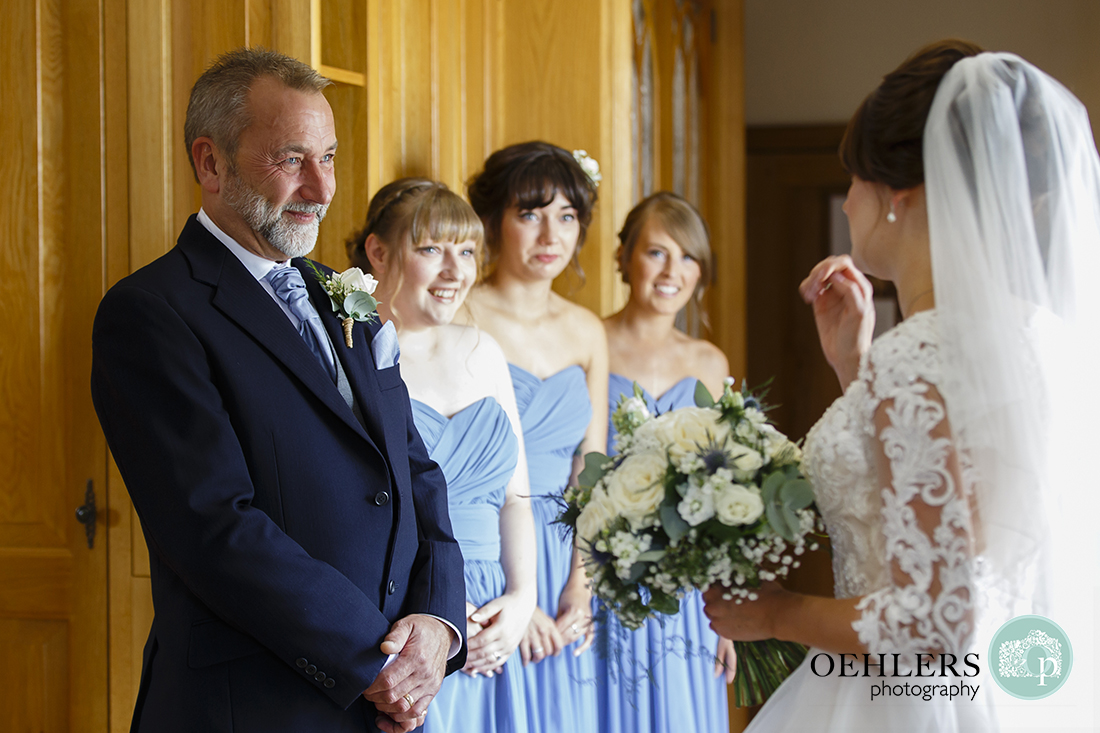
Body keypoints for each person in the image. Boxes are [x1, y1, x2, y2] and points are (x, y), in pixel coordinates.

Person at [703, 40, 1099, 731]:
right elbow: (960, 507)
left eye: (853, 179)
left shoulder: (919, 354)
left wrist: (775, 611)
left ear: (899, 197)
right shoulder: (1042, 334)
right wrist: (853, 367)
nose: (849, 201)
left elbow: (937, 616)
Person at [91, 49, 466, 733]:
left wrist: (438, 624)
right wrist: (376, 663)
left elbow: (414, 473)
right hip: (254, 705)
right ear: (211, 163)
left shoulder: (341, 293)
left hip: (393, 696)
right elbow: (214, 525)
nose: (322, 188)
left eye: (329, 156)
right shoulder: (151, 312)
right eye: (292, 160)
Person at [347, 177, 538, 733]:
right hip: (407, 614)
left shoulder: (484, 350)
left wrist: (522, 600)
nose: (455, 272)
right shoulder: (357, 356)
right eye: (431, 250)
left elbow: (516, 496)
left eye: (467, 251)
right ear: (379, 253)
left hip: (493, 611)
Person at [460, 141, 608, 733]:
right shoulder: (462, 314)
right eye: (530, 213)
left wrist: (579, 584)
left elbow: (591, 466)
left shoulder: (586, 330)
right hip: (490, 555)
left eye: (567, 216)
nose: (551, 234)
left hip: (567, 551)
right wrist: (519, 595)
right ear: (495, 222)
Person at [598, 191, 734, 733]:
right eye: (656, 252)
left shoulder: (709, 361)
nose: (672, 271)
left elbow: (721, 487)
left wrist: (727, 610)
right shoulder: (592, 343)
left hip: (686, 579)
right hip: (604, 568)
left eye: (688, 257)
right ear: (626, 257)